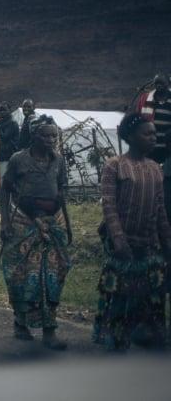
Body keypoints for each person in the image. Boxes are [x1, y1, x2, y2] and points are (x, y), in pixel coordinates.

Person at [93, 113, 171, 351]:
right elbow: (109, 205)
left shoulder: (155, 169)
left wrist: (167, 241)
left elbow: (159, 210)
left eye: (154, 134)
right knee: (119, 291)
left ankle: (149, 333)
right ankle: (113, 336)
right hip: (122, 243)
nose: (152, 137)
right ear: (130, 137)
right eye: (147, 134)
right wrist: (118, 240)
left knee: (153, 291)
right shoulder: (114, 166)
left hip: (148, 243)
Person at [0, 114, 71, 350]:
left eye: (54, 135)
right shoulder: (19, 159)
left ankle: (49, 329)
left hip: (53, 222)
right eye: (45, 135)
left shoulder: (59, 160)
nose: (51, 139)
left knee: (54, 273)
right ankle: (21, 322)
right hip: (23, 221)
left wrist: (65, 224)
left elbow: (61, 190)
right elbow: (5, 189)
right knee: (23, 274)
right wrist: (5, 223)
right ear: (33, 136)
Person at [135, 74, 171, 222]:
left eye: (162, 82)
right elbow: (136, 121)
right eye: (156, 82)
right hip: (149, 151)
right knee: (148, 184)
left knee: (166, 185)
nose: (159, 85)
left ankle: (165, 218)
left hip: (168, 152)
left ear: (168, 84)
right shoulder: (145, 99)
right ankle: (148, 216)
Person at [0, 102, 20, 177]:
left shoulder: (12, 123)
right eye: (0, 110)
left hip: (9, 154)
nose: (2, 112)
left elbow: (4, 137)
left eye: (4, 110)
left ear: (9, 110)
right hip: (3, 155)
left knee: (4, 177)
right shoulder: (3, 122)